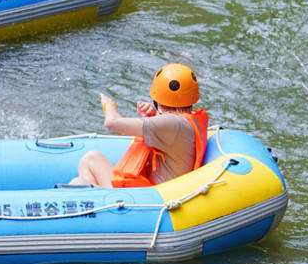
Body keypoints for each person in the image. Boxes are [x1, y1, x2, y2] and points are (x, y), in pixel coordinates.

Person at [72, 64, 210, 188]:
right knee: (90, 158)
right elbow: (168, 135)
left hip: (152, 195)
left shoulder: (172, 123)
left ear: (158, 97)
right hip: (153, 188)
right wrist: (150, 117)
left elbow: (112, 123)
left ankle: (93, 198)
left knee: (78, 183)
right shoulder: (185, 121)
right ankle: (96, 201)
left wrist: (108, 105)